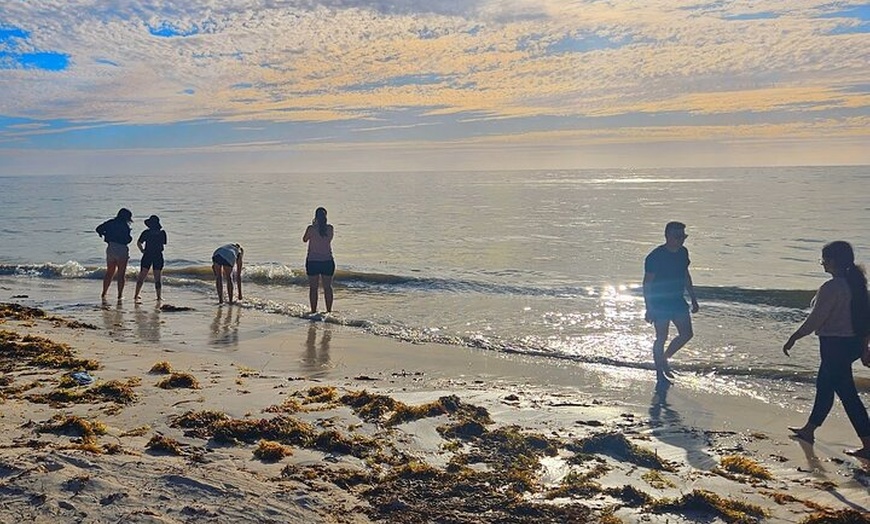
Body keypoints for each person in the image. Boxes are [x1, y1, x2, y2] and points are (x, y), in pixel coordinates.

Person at [782, 241, 870, 459]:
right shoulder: (857, 286)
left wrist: (795, 336)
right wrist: (864, 346)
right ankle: (808, 430)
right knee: (824, 386)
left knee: (848, 395)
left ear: (832, 261)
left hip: (834, 346)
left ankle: (868, 444)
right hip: (850, 345)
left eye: (824, 259)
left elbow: (816, 319)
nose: (822, 264)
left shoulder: (832, 287)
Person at [643, 221, 700, 383]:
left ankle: (664, 359)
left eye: (683, 236)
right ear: (667, 236)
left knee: (687, 334)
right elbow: (647, 284)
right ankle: (660, 371)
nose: (681, 239)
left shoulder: (683, 252)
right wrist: (649, 308)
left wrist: (694, 299)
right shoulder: (655, 257)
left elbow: (685, 275)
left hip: (677, 301)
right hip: (660, 302)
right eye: (677, 236)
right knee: (661, 337)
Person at [96, 208, 133, 301]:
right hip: (121, 249)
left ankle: (104, 293)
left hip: (111, 247)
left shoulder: (111, 222)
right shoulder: (125, 226)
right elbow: (128, 239)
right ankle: (120, 295)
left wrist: (105, 235)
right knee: (121, 274)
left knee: (109, 272)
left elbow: (98, 229)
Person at [302, 207, 335, 314]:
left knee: (313, 288)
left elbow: (305, 239)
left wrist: (313, 224)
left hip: (313, 261)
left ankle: (313, 311)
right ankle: (329, 311)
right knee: (327, 287)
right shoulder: (330, 228)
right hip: (327, 260)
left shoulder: (311, 229)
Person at [133, 215, 167, 302]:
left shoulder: (146, 233)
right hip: (158, 255)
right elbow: (163, 244)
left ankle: (136, 295)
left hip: (147, 255)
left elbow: (138, 242)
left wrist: (142, 250)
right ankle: (159, 297)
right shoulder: (162, 233)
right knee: (157, 278)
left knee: (142, 275)